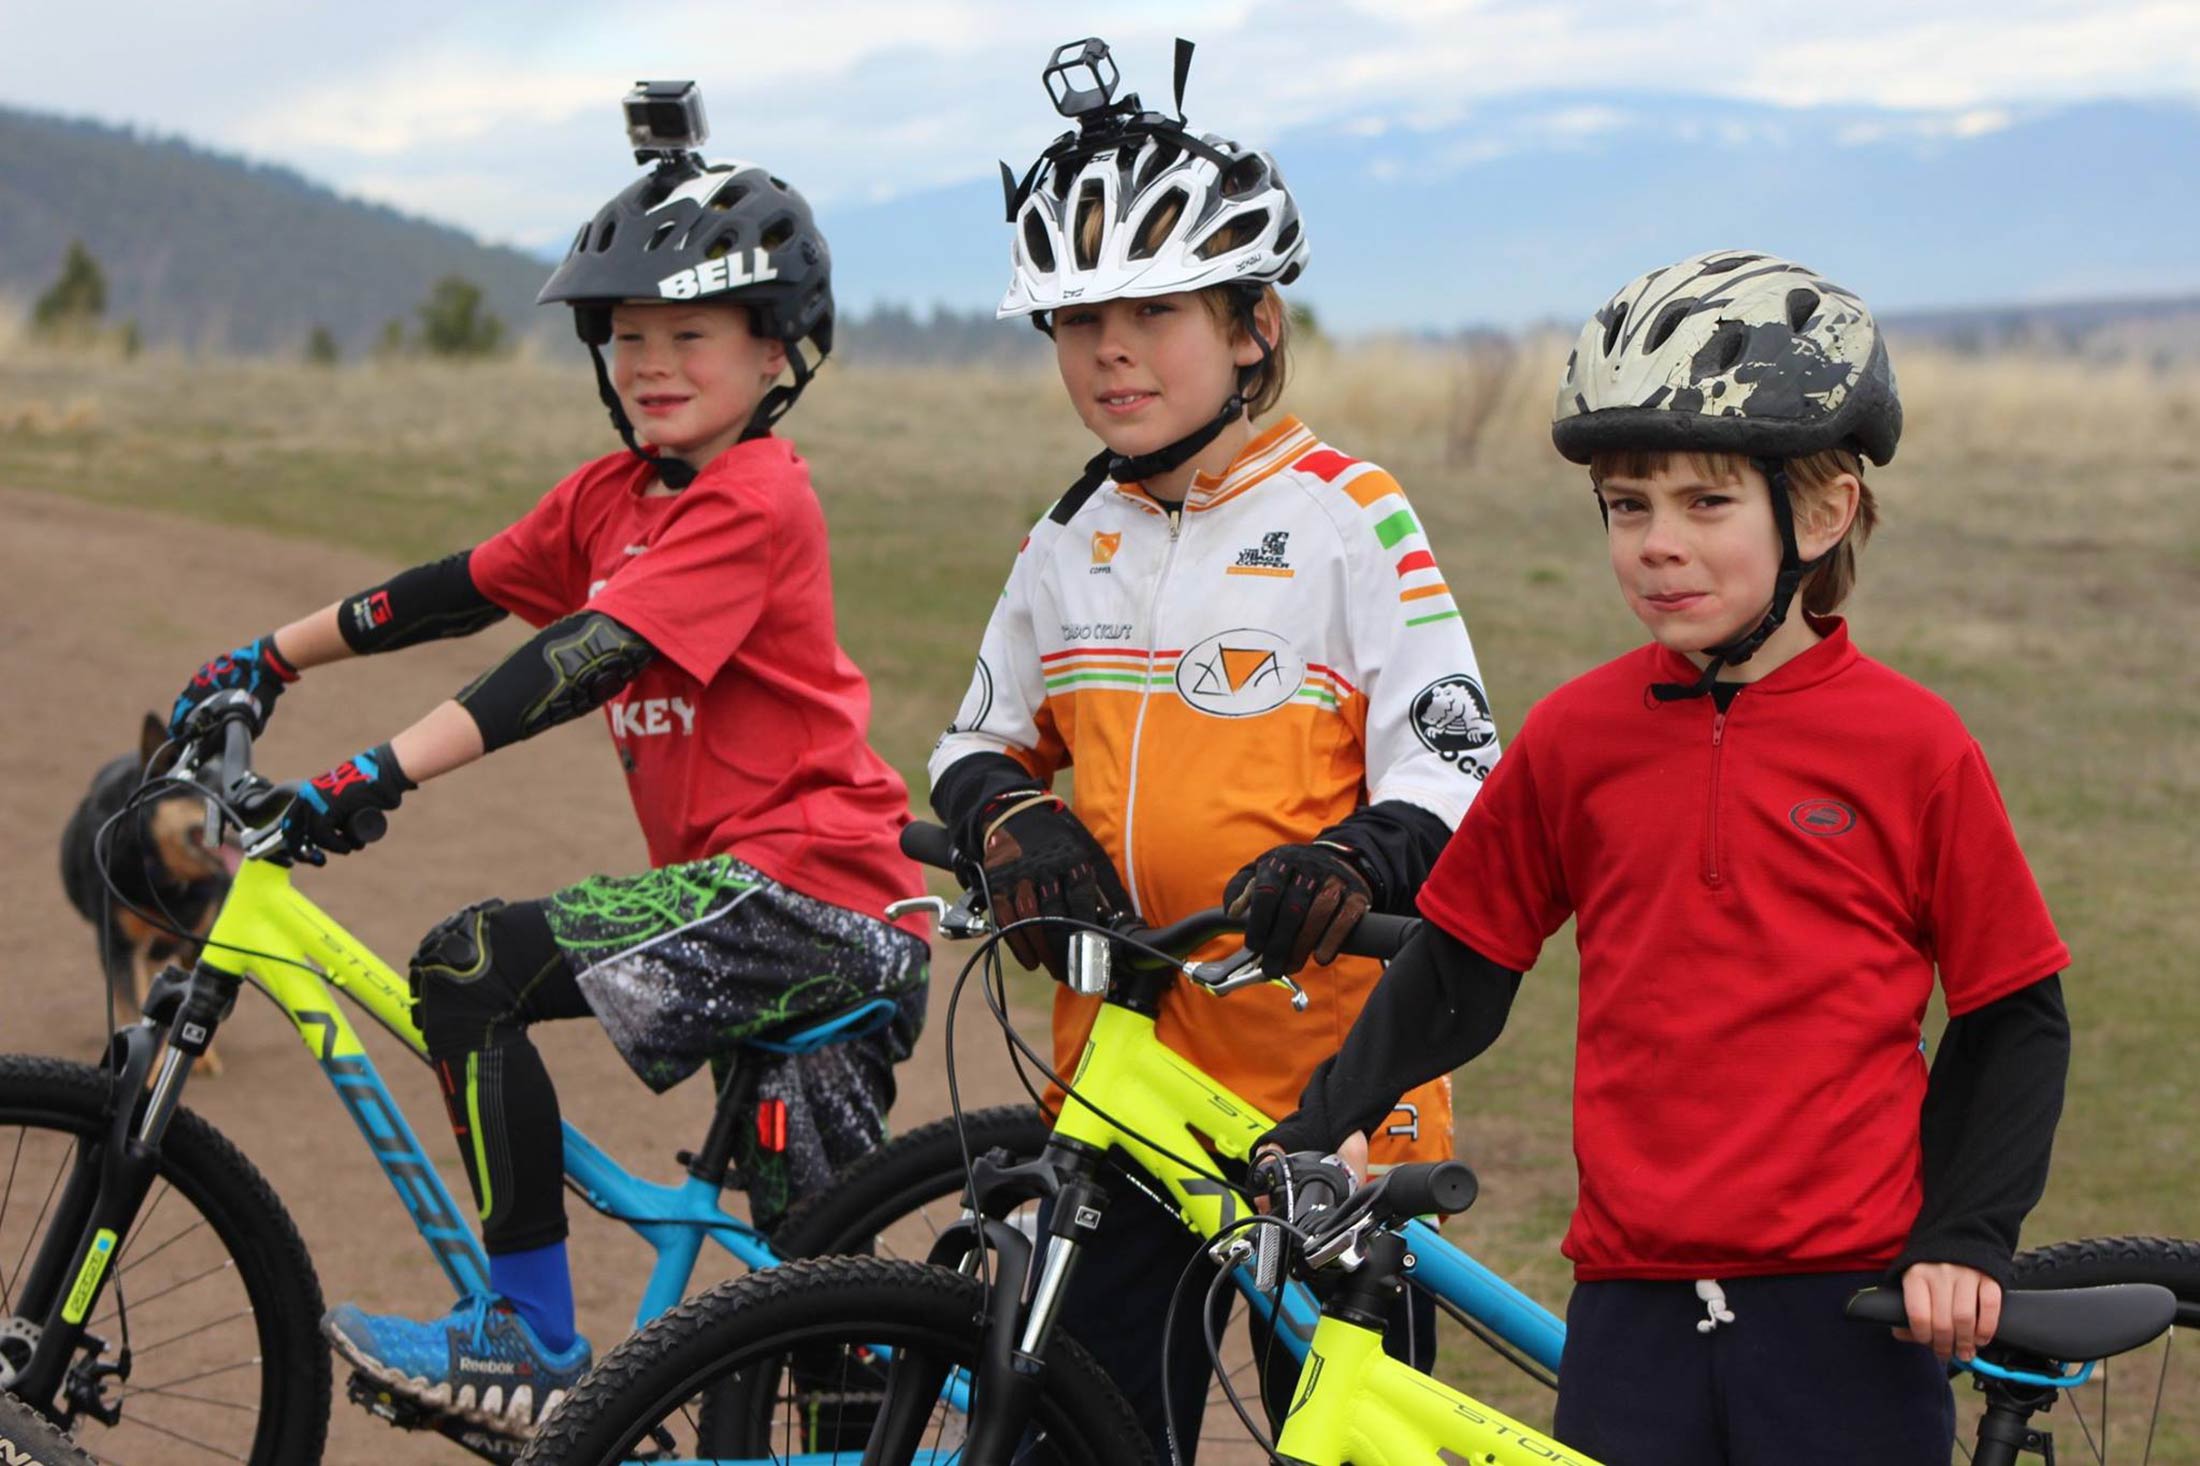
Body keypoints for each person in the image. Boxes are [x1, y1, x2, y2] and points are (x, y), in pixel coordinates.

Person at [164, 137, 928, 1438]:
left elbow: (585, 655)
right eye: (626, 333)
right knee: (812, 1305)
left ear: (775, 353)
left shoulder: (755, 498)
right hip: (747, 895)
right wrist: (272, 652)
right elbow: (465, 586)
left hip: (818, 897)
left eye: (692, 332)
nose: (652, 361)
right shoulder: (612, 496)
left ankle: (525, 1336)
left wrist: (374, 767)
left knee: (470, 964)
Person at [1261, 249, 2072, 1466]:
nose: (1655, 543)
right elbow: (1460, 965)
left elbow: (2014, 1010)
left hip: (1844, 1308)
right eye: (1627, 505)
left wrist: (1963, 1234)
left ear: (1822, 509)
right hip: (1631, 1306)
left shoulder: (1913, 746)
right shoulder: (1577, 737)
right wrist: (1312, 1124)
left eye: (1704, 503)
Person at [928, 38, 1499, 1460]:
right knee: (1105, 1431)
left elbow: (1456, 762)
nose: (1109, 347)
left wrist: (1360, 853)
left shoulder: (1348, 514)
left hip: (1342, 1104)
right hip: (1122, 1087)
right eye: (1074, 317)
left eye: (1154, 308)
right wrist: (1010, 813)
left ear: (1252, 323)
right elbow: (973, 736)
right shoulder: (1069, 541)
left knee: (1349, 1435)